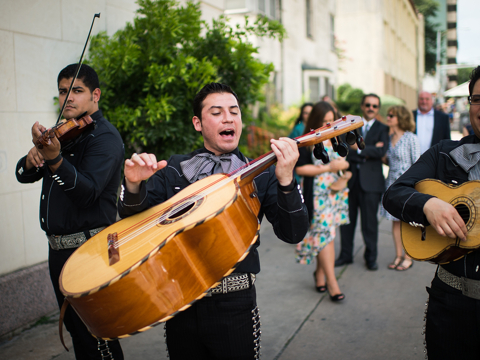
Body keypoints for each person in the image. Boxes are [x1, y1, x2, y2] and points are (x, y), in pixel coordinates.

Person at [117, 82, 309, 359]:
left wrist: (287, 180)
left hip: (236, 304)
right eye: (217, 112)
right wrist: (133, 185)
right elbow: (131, 220)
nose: (228, 118)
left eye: (234, 111)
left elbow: (294, 232)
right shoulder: (173, 169)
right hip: (180, 302)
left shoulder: (261, 174)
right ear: (198, 123)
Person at [15, 64, 125, 359]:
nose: (68, 98)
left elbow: (87, 194)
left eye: (77, 91)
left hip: (90, 250)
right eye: (63, 91)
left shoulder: (104, 138)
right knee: (80, 336)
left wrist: (55, 160)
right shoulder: (63, 135)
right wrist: (31, 159)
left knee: (99, 338)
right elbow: (23, 175)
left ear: (95, 95)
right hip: (59, 253)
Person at [382, 66, 480, 359]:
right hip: (450, 305)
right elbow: (394, 193)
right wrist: (427, 205)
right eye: (477, 99)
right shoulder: (445, 153)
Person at [295, 101, 350, 301]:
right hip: (317, 194)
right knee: (326, 235)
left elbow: (344, 160)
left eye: (331, 120)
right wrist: (328, 168)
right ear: (316, 120)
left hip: (336, 192)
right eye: (324, 121)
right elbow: (300, 169)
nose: (328, 124)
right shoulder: (307, 140)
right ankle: (332, 283)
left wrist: (343, 165)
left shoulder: (336, 136)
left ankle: (319, 274)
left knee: (326, 235)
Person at [335, 93, 389, 270]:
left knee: (369, 224)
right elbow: (343, 149)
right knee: (347, 222)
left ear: (378, 108)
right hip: (350, 180)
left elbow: (381, 153)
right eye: (368, 105)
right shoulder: (350, 126)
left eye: (374, 106)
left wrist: (357, 150)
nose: (371, 108)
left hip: (371, 183)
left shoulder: (383, 128)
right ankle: (345, 255)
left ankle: (371, 258)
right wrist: (370, 150)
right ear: (362, 106)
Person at [379, 105, 420, 271]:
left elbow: (418, 163)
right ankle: (398, 255)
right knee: (395, 222)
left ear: (400, 118)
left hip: (407, 185)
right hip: (391, 184)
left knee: (407, 222)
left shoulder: (411, 138)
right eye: (388, 115)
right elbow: (388, 161)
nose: (388, 118)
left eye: (391, 116)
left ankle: (408, 257)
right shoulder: (388, 138)